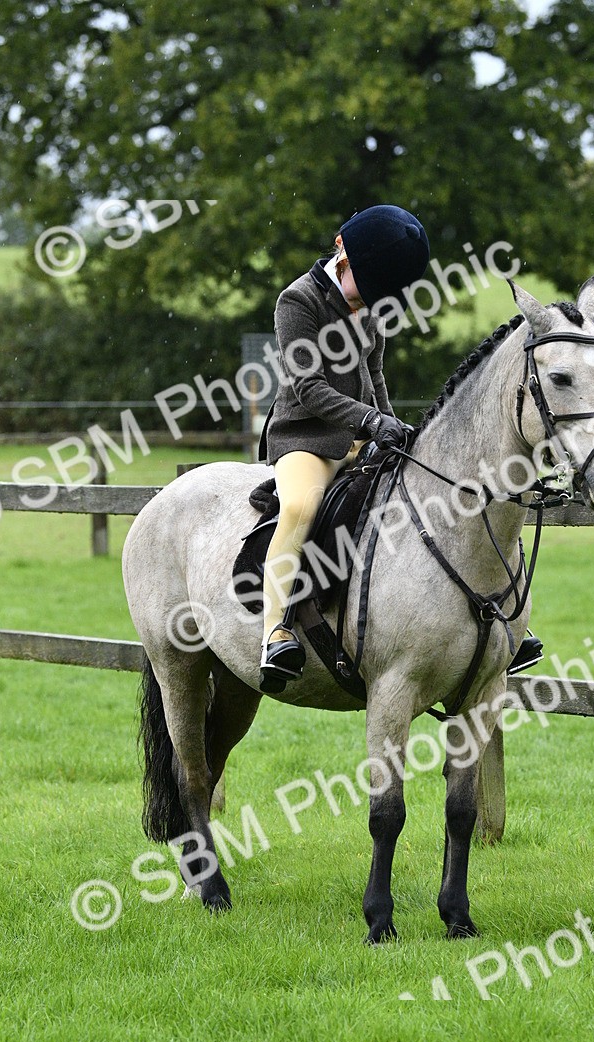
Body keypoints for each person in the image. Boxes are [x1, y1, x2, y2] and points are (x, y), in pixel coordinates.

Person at [256, 204, 429, 693]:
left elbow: (375, 375)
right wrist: (371, 420)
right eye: (365, 289)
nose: (367, 302)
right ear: (342, 252)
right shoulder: (298, 301)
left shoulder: (371, 306)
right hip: (306, 437)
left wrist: (393, 426)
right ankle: (275, 632)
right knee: (300, 506)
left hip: (363, 436)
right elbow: (308, 388)